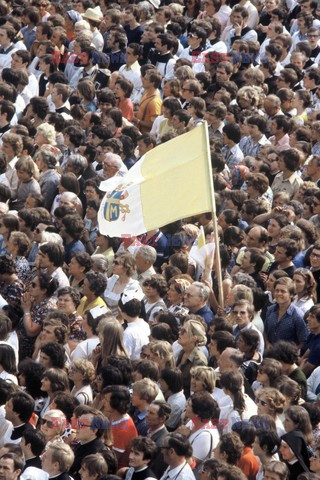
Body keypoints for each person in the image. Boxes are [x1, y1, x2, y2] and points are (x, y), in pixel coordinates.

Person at [264, 277, 308, 347]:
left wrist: (291, 352)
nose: (279, 293)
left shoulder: (298, 316)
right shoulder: (270, 310)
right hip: (270, 354)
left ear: (291, 294)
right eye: (277, 290)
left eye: (283, 291)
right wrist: (267, 343)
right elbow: (265, 331)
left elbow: (303, 340)